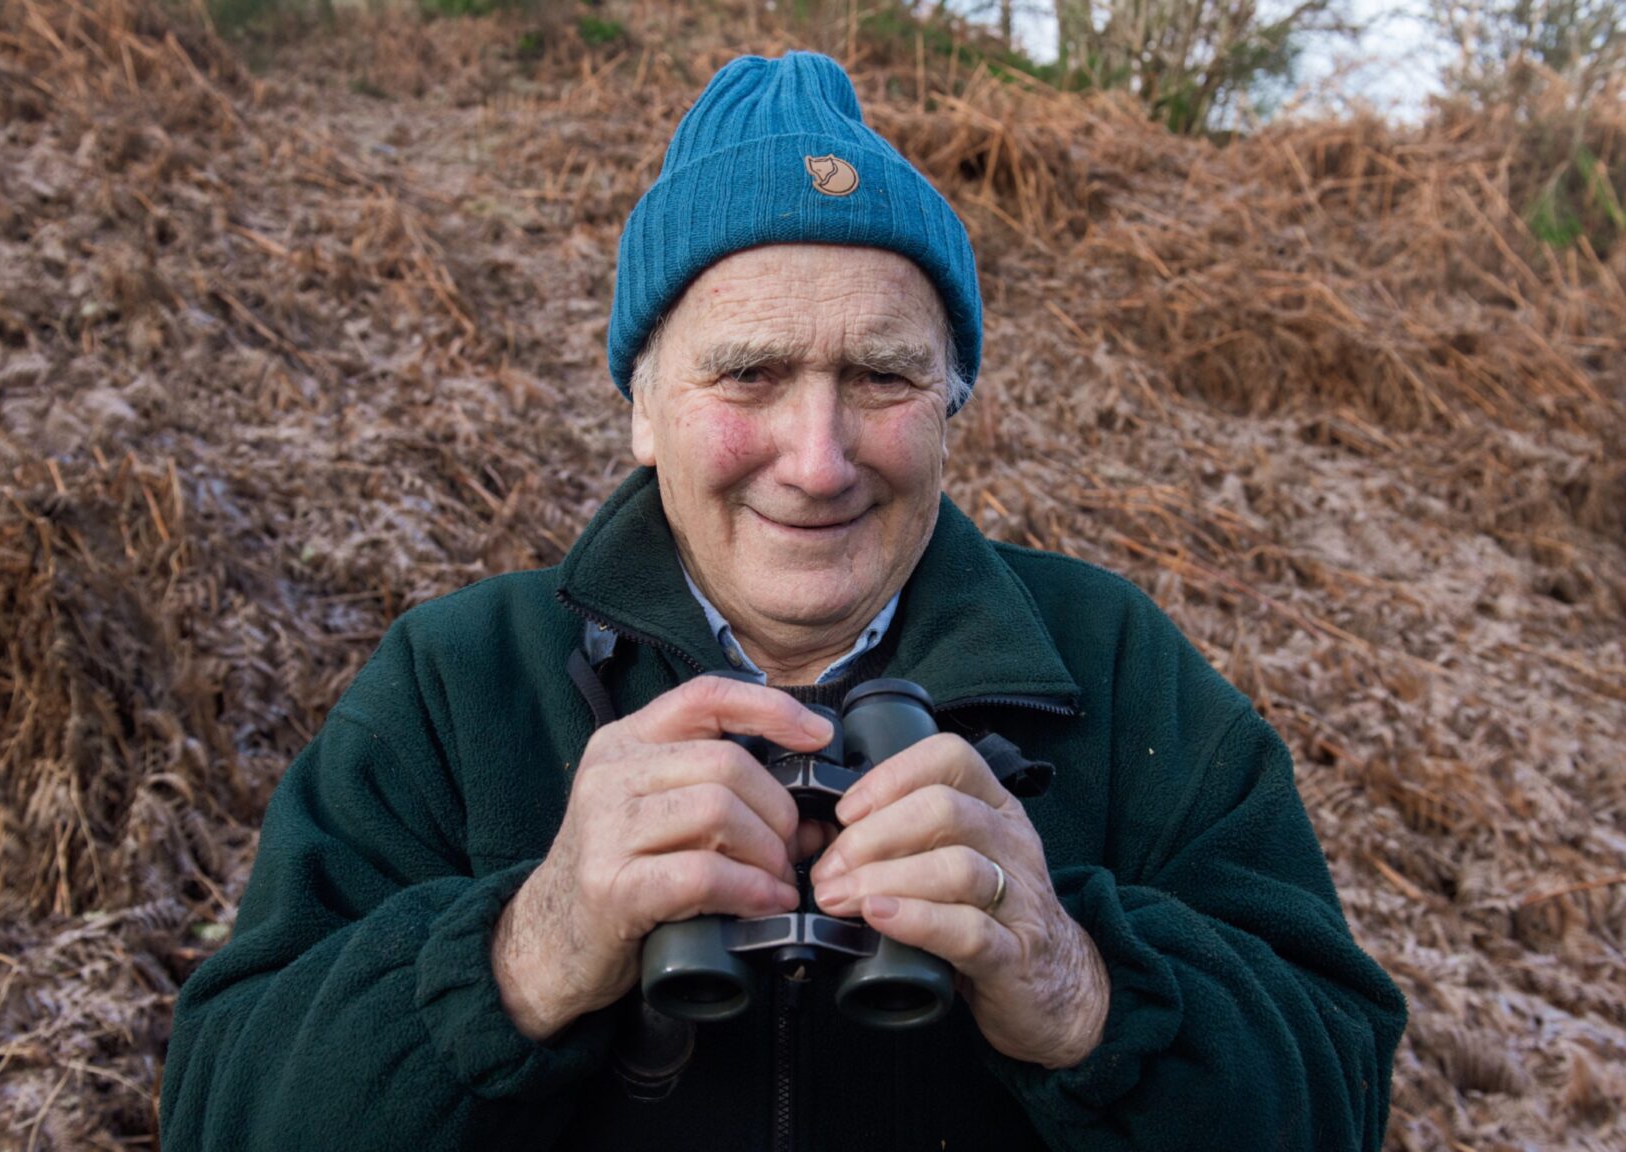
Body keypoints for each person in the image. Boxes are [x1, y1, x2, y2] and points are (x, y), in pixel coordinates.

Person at [161, 51, 1406, 1151]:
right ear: (643, 410)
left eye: (881, 375)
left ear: (953, 405)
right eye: (748, 374)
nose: (817, 459)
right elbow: (220, 1111)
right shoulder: (455, 683)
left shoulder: (1117, 667)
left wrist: (1081, 989)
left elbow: (1339, 1093)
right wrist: (526, 952)